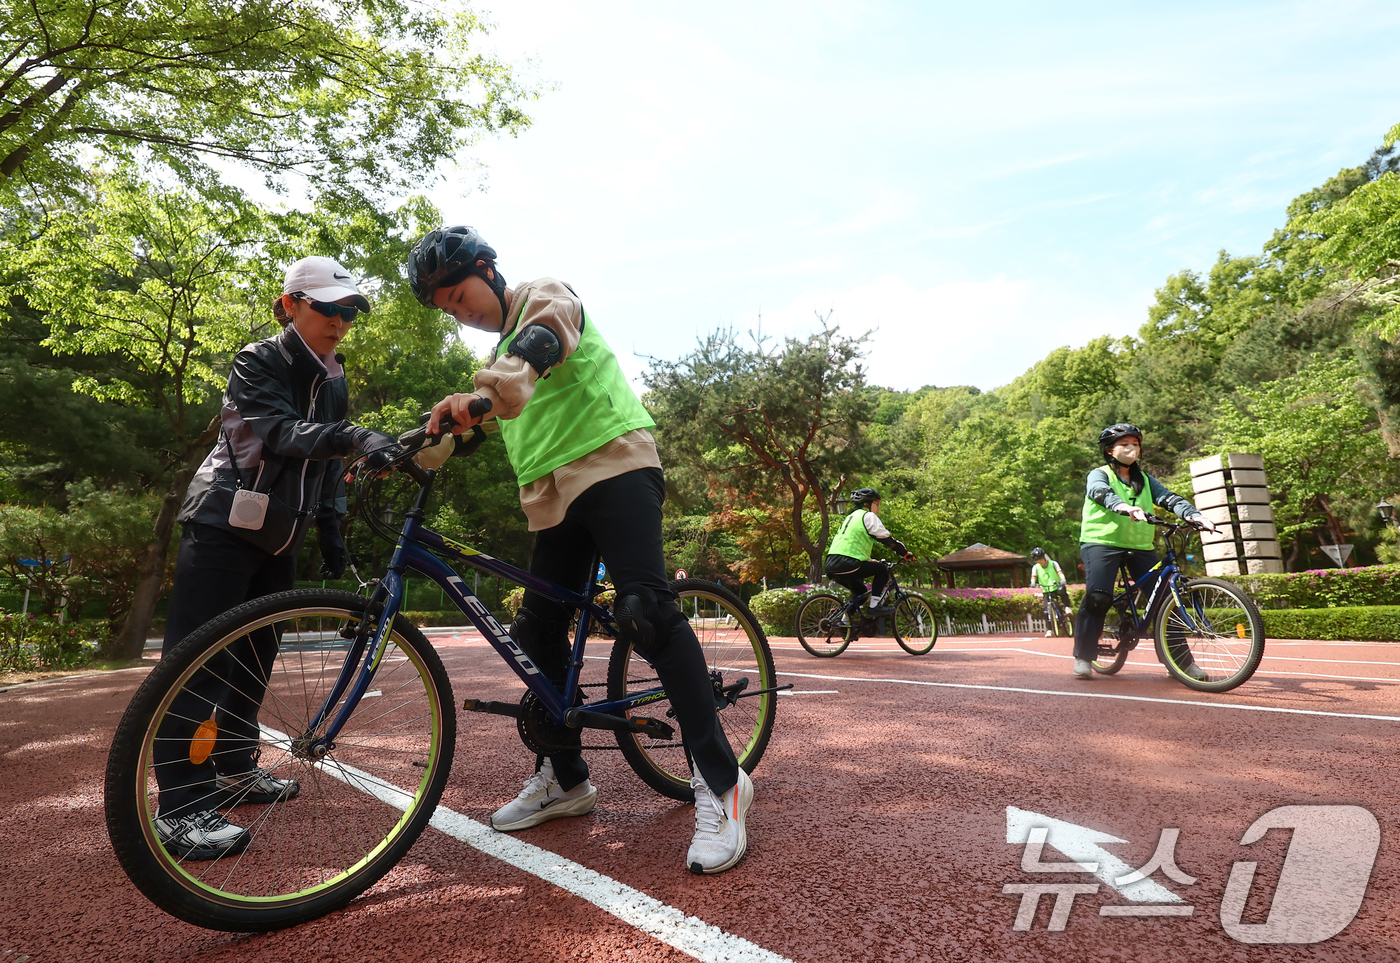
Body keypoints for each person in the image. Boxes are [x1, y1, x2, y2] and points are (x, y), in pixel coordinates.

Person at [408, 225, 751, 874]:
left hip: (616, 468)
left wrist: (484, 394)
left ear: (487, 268)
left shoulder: (541, 298)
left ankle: (722, 780)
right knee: (535, 630)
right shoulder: (500, 366)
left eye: (460, 294)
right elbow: (476, 422)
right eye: (449, 308)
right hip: (556, 498)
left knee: (646, 610)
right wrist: (404, 446)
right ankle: (565, 777)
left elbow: (540, 345)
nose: (462, 311)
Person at [152, 256, 406, 860]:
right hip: (222, 521)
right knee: (197, 660)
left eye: (350, 311)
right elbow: (283, 433)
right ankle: (181, 808)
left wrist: (332, 531)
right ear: (289, 305)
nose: (342, 321)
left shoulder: (335, 378)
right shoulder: (258, 360)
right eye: (329, 308)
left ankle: (237, 768)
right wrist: (354, 437)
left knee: (256, 654)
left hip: (280, 533)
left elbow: (325, 472)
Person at [1072, 423, 1218, 680]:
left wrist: (1195, 516)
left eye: (1136, 444)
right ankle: (1084, 656)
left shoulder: (1145, 480)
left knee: (1165, 603)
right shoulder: (1100, 474)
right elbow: (1099, 492)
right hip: (1101, 542)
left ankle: (1180, 663)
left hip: (1140, 545)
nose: (1132, 449)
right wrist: (1121, 506)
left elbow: (1169, 499)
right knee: (1098, 598)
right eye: (1124, 445)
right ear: (1109, 451)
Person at [824, 488, 915, 615]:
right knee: (882, 570)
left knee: (861, 593)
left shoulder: (850, 517)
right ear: (867, 504)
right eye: (876, 504)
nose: (878, 508)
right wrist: (904, 553)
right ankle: (875, 606)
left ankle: (843, 625)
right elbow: (887, 540)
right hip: (848, 562)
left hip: (831, 564)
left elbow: (851, 545)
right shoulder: (867, 516)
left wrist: (868, 560)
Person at [1029, 547, 1072, 636]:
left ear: (1044, 557)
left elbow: (1059, 572)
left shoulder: (1053, 563)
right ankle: (1049, 630)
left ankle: (1067, 607)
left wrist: (1063, 579)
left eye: (1040, 559)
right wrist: (1033, 582)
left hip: (1056, 586)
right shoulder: (1035, 567)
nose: (1039, 561)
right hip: (1046, 589)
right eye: (1037, 560)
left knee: (1062, 592)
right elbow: (1034, 576)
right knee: (1046, 610)